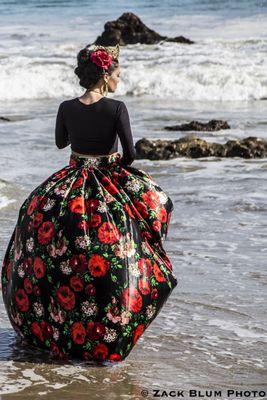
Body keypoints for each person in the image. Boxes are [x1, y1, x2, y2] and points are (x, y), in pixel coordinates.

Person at [1, 44, 178, 363]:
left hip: (70, 181)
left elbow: (60, 143)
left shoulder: (66, 106)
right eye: (118, 75)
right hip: (106, 181)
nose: (119, 81)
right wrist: (110, 160)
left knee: (49, 254)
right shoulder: (117, 108)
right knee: (137, 236)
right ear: (105, 75)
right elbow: (131, 155)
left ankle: (51, 328)